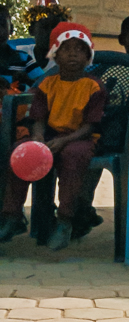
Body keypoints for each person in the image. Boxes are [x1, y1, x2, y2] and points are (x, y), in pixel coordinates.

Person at [0, 22, 105, 250]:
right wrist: (38, 139)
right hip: (48, 134)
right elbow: (38, 118)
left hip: (79, 138)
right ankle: (12, 215)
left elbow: (90, 126)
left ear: (88, 56)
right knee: (21, 152)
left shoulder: (94, 86)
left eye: (79, 49)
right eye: (66, 49)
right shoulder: (47, 84)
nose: (73, 54)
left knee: (72, 157)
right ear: (55, 55)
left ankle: (65, 220)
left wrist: (65, 140)